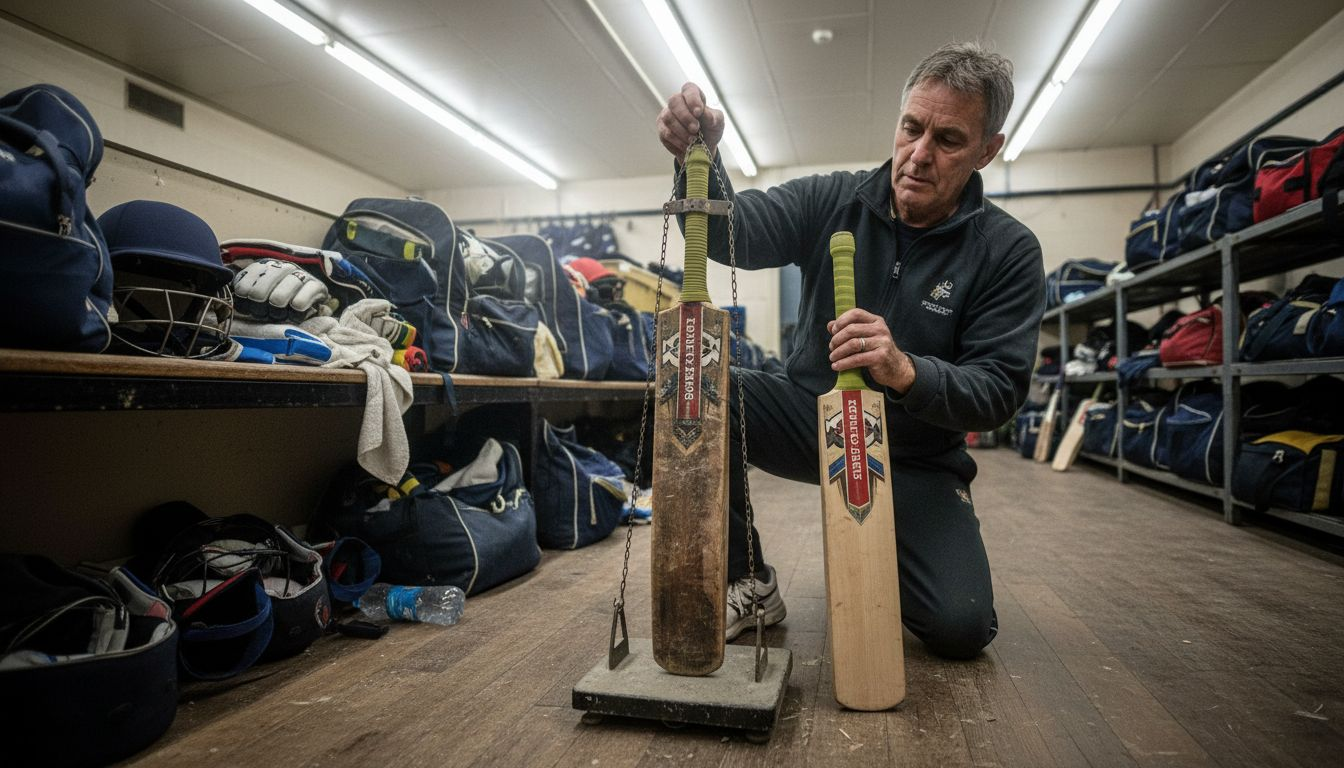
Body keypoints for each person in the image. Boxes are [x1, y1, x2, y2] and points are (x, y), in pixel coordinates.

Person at [654, 41, 1045, 660]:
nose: (918, 155)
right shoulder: (833, 200)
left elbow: (998, 389)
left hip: (914, 456)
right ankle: (746, 579)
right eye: (911, 128)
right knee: (703, 383)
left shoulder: (1008, 251)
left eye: (947, 140)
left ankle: (891, 539)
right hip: (809, 417)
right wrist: (700, 158)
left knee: (960, 628)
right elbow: (736, 235)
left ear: (987, 150)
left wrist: (907, 371)